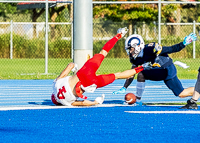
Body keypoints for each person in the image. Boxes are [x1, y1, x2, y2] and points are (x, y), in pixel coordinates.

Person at [51, 27, 152, 106]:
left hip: (89, 84)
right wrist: (73, 66)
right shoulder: (56, 85)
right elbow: (70, 65)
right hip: (83, 73)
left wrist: (95, 102)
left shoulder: (66, 102)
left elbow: (83, 103)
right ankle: (119, 35)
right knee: (103, 52)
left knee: (117, 75)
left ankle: (143, 67)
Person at [113, 33, 197, 105]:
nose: (130, 52)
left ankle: (198, 90)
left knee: (181, 94)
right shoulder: (135, 58)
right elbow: (132, 73)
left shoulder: (151, 48)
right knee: (181, 94)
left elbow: (171, 49)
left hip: (167, 69)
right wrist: (125, 87)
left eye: (131, 49)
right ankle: (138, 101)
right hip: (159, 71)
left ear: (138, 46)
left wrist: (183, 43)